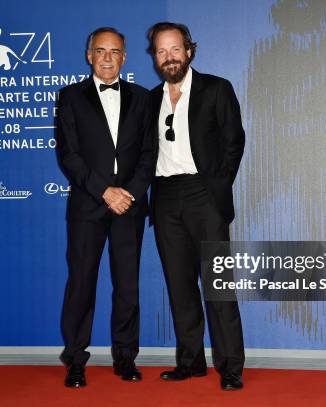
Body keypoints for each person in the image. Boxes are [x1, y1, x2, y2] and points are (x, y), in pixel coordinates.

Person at [147, 22, 246, 390]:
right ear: (155, 57)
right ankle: (190, 361)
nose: (169, 57)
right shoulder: (149, 99)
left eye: (175, 49)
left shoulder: (216, 89)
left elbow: (234, 141)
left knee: (218, 286)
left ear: (189, 50)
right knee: (179, 285)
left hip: (204, 194)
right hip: (166, 198)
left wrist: (217, 186)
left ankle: (231, 365)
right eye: (161, 51)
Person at [56, 27, 153, 388]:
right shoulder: (70, 97)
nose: (108, 58)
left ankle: (126, 358)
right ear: (89, 55)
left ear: (125, 57)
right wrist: (104, 191)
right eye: (101, 51)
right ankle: (76, 360)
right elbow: (70, 155)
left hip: (129, 205)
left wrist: (127, 193)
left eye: (115, 51)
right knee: (81, 284)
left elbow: (148, 154)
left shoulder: (143, 98)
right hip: (88, 205)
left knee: (127, 285)